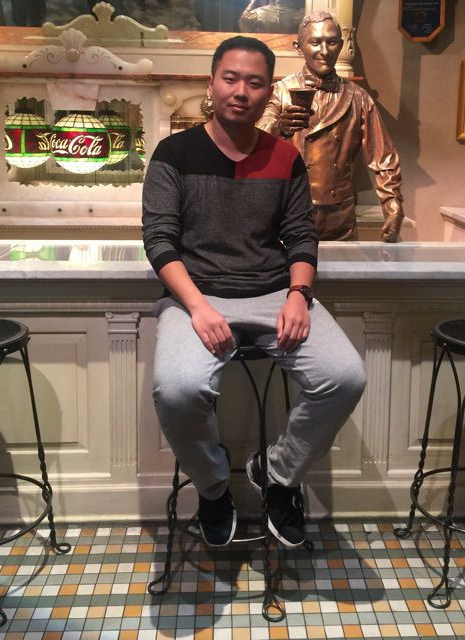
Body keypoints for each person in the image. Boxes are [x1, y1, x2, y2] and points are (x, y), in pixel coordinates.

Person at [142, 36, 365, 548]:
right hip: (196, 297)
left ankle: (278, 474)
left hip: (273, 293)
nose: (241, 91)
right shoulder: (174, 154)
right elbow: (159, 240)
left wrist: (298, 294)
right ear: (212, 83)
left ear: (269, 92)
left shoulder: (285, 157)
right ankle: (214, 489)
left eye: (255, 82)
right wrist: (198, 307)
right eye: (231, 78)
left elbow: (302, 235)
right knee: (177, 389)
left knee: (344, 377)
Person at [257, 11, 405, 242]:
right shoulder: (281, 91)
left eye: (332, 42)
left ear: (341, 45)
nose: (324, 51)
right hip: (289, 212)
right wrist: (280, 128)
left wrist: (393, 205)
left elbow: (383, 158)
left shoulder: (358, 98)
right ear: (299, 47)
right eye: (315, 42)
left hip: (338, 216)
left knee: (340, 266)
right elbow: (256, 141)